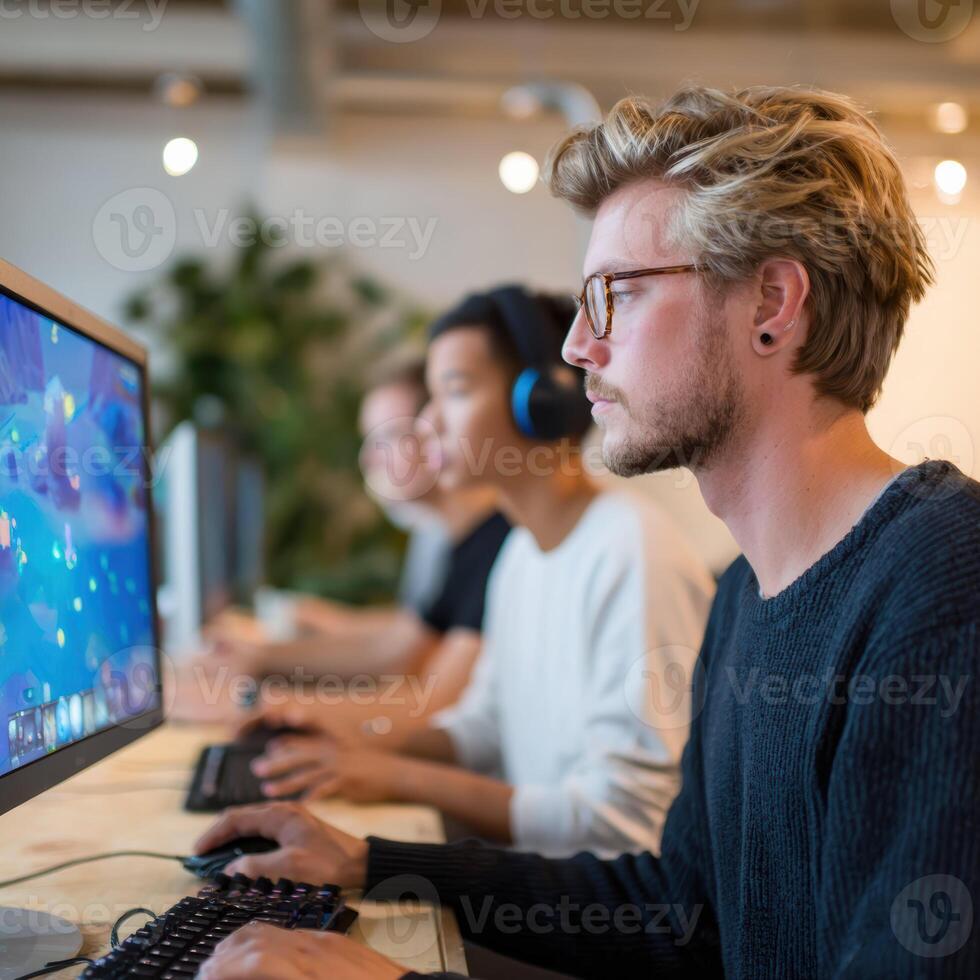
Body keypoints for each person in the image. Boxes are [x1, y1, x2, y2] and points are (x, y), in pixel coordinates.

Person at [194, 84, 980, 979]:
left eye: (616, 296)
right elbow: (679, 911)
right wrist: (377, 864)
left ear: (772, 302)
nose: (574, 349)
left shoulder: (944, 587)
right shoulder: (744, 594)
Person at [240, 286, 714, 858]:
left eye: (455, 390)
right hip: (537, 885)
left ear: (543, 399)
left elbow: (624, 822)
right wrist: (356, 739)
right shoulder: (521, 554)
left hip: (599, 918)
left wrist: (394, 776)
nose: (428, 422)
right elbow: (483, 727)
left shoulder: (630, 552)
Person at [184, 351, 511, 741]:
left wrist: (251, 698)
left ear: (438, 430)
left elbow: (431, 699)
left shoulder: (496, 542)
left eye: (386, 437)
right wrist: (259, 662)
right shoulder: (460, 541)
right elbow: (403, 641)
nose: (369, 458)